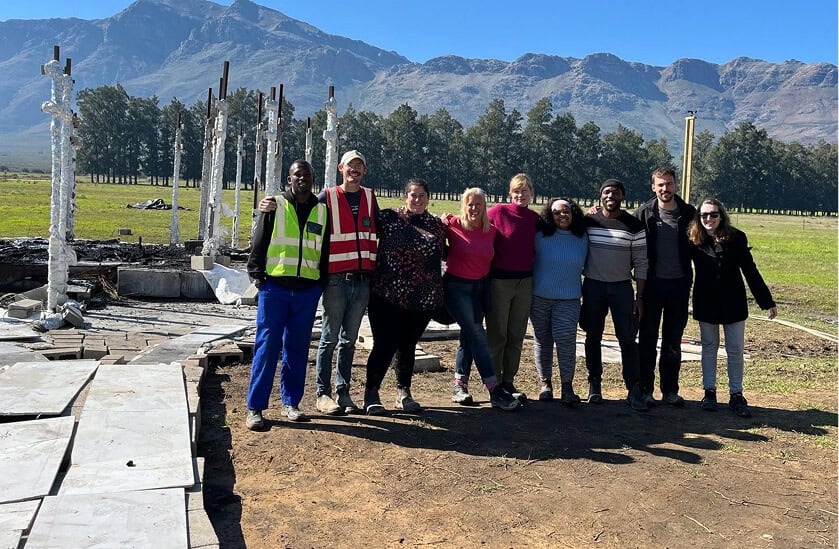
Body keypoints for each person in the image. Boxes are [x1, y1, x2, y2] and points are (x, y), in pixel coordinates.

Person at [260, 150, 377, 416]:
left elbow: (382, 228)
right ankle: (322, 394)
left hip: (362, 282)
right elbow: (302, 204)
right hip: (335, 280)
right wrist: (270, 204)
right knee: (329, 338)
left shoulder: (370, 198)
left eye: (359, 166)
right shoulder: (328, 198)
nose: (355, 170)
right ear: (341, 169)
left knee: (348, 340)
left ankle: (343, 391)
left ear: (364, 171)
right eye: (350, 166)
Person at [245, 160, 328, 430]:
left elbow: (324, 251)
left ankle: (291, 403)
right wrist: (257, 276)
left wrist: (321, 284)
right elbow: (259, 241)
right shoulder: (275, 206)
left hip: (307, 291)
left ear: (313, 178)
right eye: (297, 175)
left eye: (307, 175)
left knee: (297, 348)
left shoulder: (322, 211)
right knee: (267, 346)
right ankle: (255, 407)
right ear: (289, 179)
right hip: (275, 288)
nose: (302, 178)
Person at [688, 198, 777, 418]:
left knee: (735, 350)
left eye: (713, 214)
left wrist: (766, 301)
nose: (708, 219)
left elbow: (750, 270)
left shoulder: (736, 237)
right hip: (706, 300)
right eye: (704, 215)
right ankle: (709, 393)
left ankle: (736, 394)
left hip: (733, 301)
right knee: (709, 347)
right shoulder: (693, 239)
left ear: (722, 216)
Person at [363, 179, 446, 415]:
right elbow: (358, 224)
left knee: (408, 344)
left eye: (421, 195)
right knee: (384, 344)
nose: (417, 200)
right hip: (386, 295)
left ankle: (403, 392)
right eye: (413, 195)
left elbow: (455, 249)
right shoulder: (389, 218)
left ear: (428, 198)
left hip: (422, 299)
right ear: (405, 197)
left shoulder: (437, 225)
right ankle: (371, 393)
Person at [441, 188, 520, 411]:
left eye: (478, 204)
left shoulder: (490, 231)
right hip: (456, 287)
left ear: (485, 207)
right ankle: (494, 390)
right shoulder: (452, 224)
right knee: (477, 333)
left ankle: (460, 386)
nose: (474, 208)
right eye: (470, 204)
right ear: (463, 206)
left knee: (468, 336)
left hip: (480, 288)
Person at [580, 179, 649, 411]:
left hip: (621, 288)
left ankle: (633, 388)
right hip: (593, 287)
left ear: (622, 197)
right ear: (600, 196)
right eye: (607, 192)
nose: (611, 195)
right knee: (593, 336)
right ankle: (594, 385)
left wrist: (640, 297)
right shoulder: (587, 221)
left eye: (616, 192)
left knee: (627, 338)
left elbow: (641, 262)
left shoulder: (634, 225)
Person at [634, 167, 697, 407]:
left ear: (675, 186)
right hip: (651, 287)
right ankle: (646, 389)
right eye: (660, 185)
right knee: (647, 340)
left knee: (673, 341)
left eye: (669, 184)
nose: (665, 189)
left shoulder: (689, 213)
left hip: (679, 287)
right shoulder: (644, 213)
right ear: (653, 187)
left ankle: (670, 390)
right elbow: (622, 229)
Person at [485, 173, 540, 401]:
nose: (520, 195)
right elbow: (474, 223)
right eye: (516, 191)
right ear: (510, 193)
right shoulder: (497, 212)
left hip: (525, 282)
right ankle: (494, 382)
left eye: (525, 191)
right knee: (497, 334)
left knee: (516, 334)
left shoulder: (535, 219)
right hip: (499, 282)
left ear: (531, 194)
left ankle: (509, 380)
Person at [531, 197, 589, 403]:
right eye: (557, 213)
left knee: (565, 342)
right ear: (550, 215)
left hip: (569, 299)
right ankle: (545, 384)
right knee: (542, 341)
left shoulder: (583, 236)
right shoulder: (539, 235)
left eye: (566, 211)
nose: (562, 215)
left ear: (573, 213)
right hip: (540, 297)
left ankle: (567, 387)